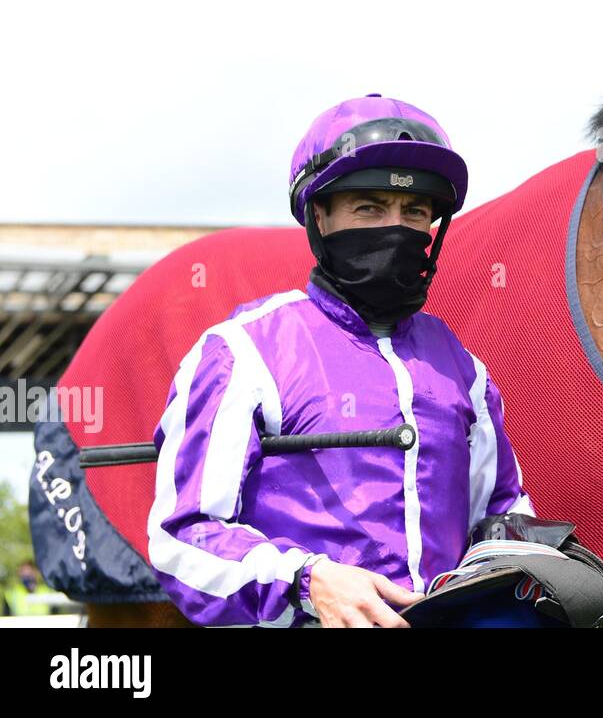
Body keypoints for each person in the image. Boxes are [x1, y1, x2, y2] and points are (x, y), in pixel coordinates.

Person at [147, 94, 534, 627]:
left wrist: (533, 562)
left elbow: (499, 516)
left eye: (415, 211)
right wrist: (307, 581)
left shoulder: (463, 369)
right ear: (320, 216)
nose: (395, 227)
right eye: (369, 207)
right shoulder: (241, 351)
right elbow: (183, 537)